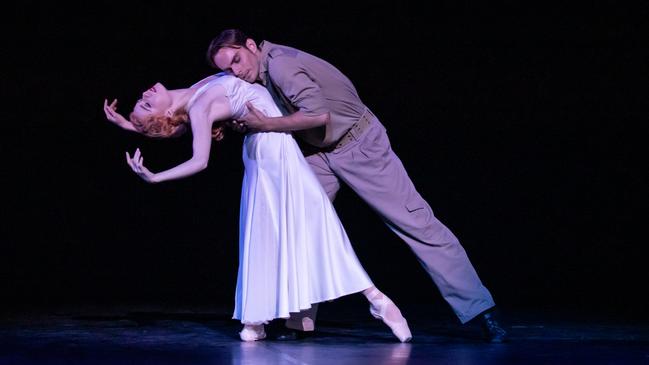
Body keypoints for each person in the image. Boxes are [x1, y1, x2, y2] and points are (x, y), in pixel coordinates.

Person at [207, 29, 507, 343]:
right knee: (299, 227)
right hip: (317, 154)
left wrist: (266, 124)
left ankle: (482, 310)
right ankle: (300, 323)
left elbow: (317, 115)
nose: (236, 71)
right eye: (227, 69)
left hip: (359, 144)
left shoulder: (281, 64)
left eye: (237, 60)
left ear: (252, 45)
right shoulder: (257, 73)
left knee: (415, 222)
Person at [103, 73, 413, 342]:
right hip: (270, 150)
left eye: (142, 102)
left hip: (268, 147)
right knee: (305, 224)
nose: (145, 95)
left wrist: (132, 124)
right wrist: (156, 177)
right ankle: (372, 298)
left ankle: (256, 322)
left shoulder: (190, 97)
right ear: (165, 113)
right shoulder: (197, 106)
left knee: (281, 228)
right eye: (146, 104)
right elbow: (200, 160)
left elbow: (172, 124)